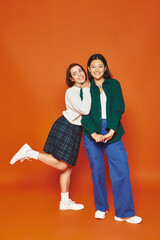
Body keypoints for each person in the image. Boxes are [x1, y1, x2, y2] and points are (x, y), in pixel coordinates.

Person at [10, 63, 91, 211]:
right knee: (63, 165)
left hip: (76, 130)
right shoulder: (72, 92)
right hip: (67, 127)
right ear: (71, 78)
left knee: (68, 168)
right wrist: (86, 89)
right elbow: (85, 110)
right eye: (75, 73)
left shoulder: (84, 89)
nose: (80, 74)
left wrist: (87, 89)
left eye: (80, 70)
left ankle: (64, 202)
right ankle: (29, 152)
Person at [81, 54, 142, 224]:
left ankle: (124, 213)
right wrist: (93, 133)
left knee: (121, 170)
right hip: (91, 131)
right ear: (88, 69)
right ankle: (101, 207)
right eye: (93, 66)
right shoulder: (84, 88)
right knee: (98, 172)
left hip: (112, 131)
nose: (97, 70)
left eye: (100, 66)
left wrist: (112, 129)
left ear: (105, 68)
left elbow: (118, 107)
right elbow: (83, 113)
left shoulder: (114, 84)